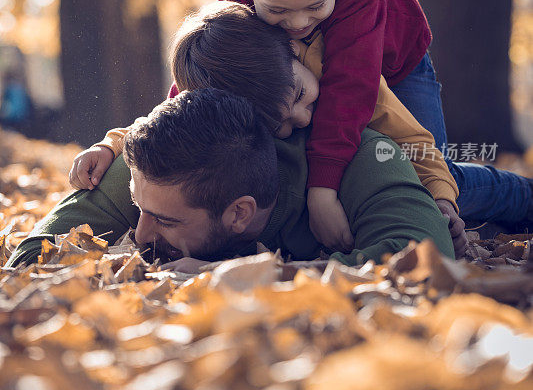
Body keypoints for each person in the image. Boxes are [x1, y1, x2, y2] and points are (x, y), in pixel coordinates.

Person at [67, 0, 533, 251]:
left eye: (314, 7)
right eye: (278, 12)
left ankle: (514, 197)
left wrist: (323, 191)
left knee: (426, 167)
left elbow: (350, 96)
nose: (296, 23)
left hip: (395, 68)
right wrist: (117, 142)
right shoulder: (241, 6)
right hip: (306, 73)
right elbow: (192, 95)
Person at [70, 3, 467, 257]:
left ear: (293, 49)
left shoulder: (345, 78)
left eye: (297, 95)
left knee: (458, 178)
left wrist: (443, 201)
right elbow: (170, 120)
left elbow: (415, 145)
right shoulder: (224, 66)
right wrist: (113, 144)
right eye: (278, 122)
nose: (304, 119)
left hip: (406, 82)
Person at [8, 88, 454, 270]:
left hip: (423, 158)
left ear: (239, 212)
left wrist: (236, 276)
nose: (140, 234)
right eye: (140, 210)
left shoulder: (365, 160)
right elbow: (31, 255)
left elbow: (421, 257)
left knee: (478, 188)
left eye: (165, 221)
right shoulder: (152, 172)